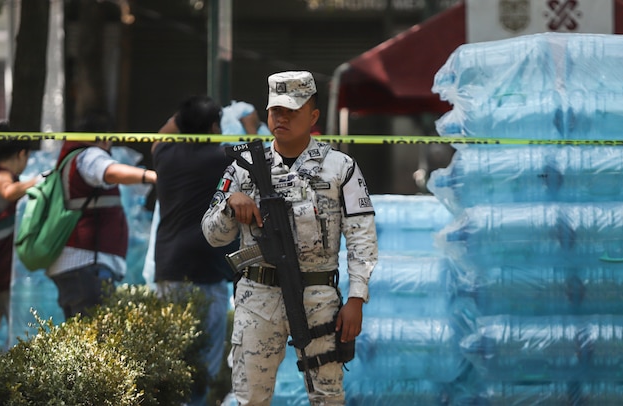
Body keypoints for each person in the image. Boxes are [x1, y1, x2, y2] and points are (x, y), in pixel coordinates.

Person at [202, 71, 378, 405]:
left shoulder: (341, 168)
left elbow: (362, 238)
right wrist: (230, 205)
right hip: (258, 298)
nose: (281, 118)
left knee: (327, 397)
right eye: (275, 110)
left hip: (318, 297)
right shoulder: (243, 167)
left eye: (292, 110)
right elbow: (211, 235)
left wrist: (357, 298)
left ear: (313, 116)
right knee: (249, 398)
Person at [151, 95, 238, 404]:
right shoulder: (223, 158)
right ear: (215, 126)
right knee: (203, 364)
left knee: (170, 359)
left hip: (169, 269)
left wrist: (185, 114)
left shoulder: (165, 154)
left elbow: (163, 133)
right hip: (207, 272)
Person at [46, 111, 157, 319]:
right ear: (103, 136)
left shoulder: (70, 156)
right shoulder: (90, 154)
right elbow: (109, 171)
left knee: (80, 340)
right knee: (93, 340)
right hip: (87, 264)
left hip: (73, 265)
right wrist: (150, 176)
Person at [0, 130, 39, 329]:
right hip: (1, 273)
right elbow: (9, 192)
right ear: (22, 154)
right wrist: (38, 180)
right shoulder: (2, 176)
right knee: (17, 333)